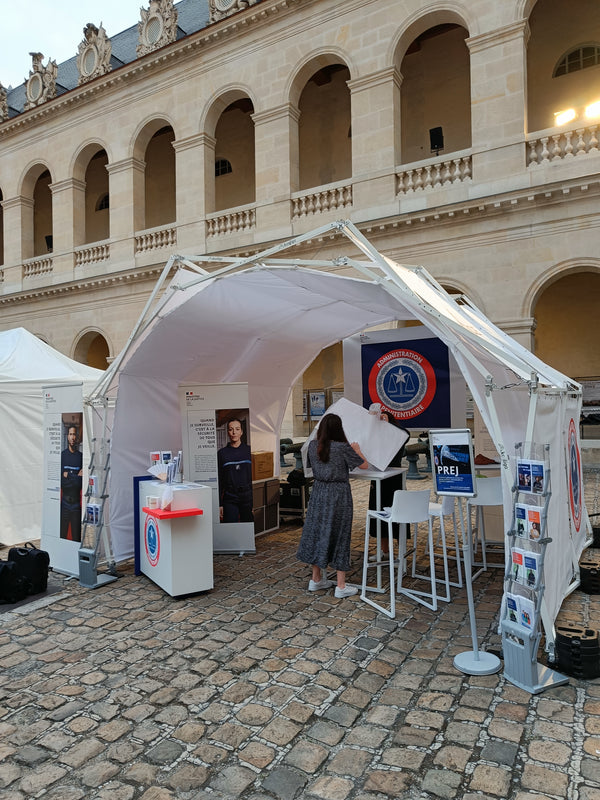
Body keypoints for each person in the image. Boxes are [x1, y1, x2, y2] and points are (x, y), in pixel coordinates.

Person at [296, 413, 368, 598]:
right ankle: (341, 586)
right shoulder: (343, 447)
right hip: (338, 494)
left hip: (318, 491)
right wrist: (357, 450)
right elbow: (364, 466)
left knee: (317, 532)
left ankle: (316, 579)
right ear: (339, 429)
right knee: (340, 534)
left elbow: (311, 466)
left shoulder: (313, 446)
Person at [368, 410, 410, 556]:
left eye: (384, 419)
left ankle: (401, 552)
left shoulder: (398, 436)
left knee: (398, 515)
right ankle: (383, 550)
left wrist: (387, 424)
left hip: (395, 478)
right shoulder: (375, 437)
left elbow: (406, 433)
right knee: (379, 516)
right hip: (378, 478)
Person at [218, 418, 253, 523]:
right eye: (231, 429)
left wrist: (256, 502)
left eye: (237, 429)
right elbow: (219, 480)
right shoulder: (222, 453)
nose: (234, 432)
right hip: (230, 498)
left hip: (248, 497)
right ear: (228, 432)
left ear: (241, 432)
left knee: (248, 527)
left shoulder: (249, 451)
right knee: (230, 528)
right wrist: (219, 504)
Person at [60, 424, 83, 541]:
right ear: (67, 436)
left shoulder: (81, 457)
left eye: (74, 434)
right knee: (62, 536)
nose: (72, 437)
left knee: (76, 537)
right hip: (64, 504)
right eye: (70, 434)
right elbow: (62, 483)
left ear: (77, 437)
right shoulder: (62, 456)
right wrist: (76, 476)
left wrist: (68, 475)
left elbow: (80, 484)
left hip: (76, 505)